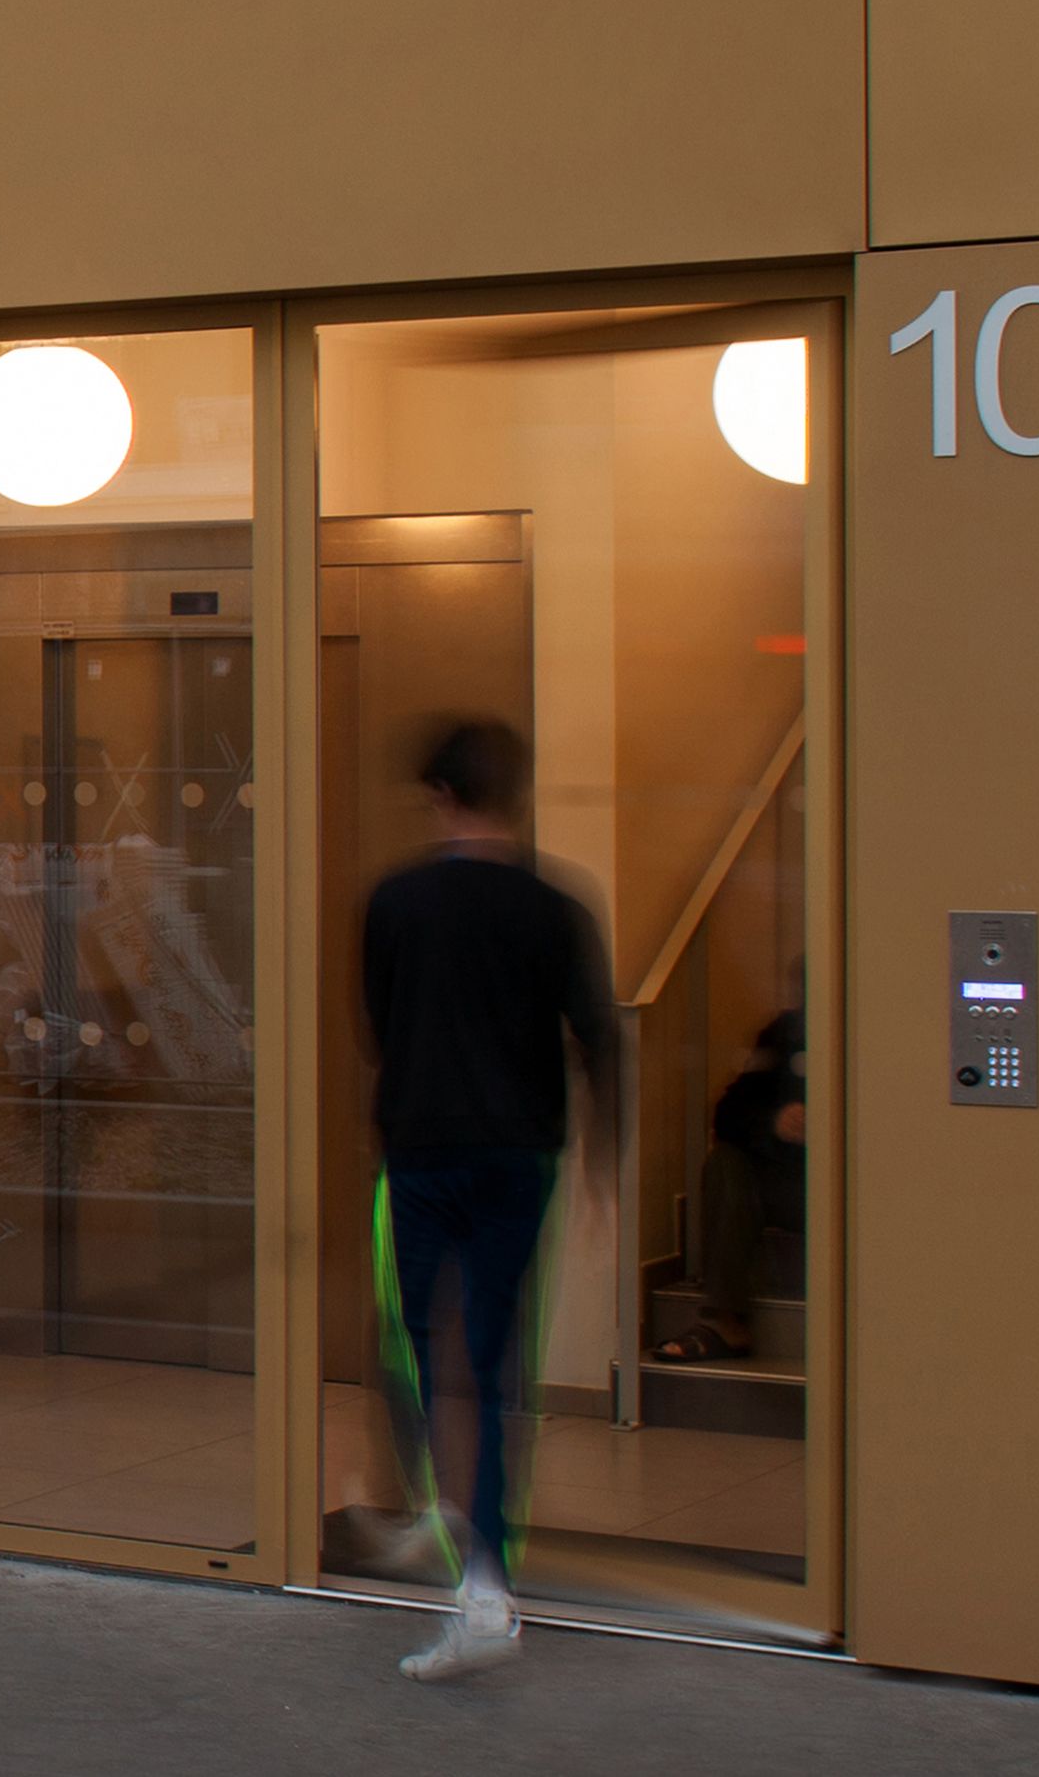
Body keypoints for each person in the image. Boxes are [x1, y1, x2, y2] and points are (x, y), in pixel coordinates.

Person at [360, 717, 616, 1683]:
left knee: (434, 1357)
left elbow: (378, 1029)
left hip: (424, 1151)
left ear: (441, 796)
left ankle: (473, 1562)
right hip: (518, 1156)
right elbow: (597, 1038)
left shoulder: (396, 901)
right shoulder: (555, 908)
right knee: (493, 1355)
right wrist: (601, 1162)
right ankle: (475, 1550)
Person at [655, 995, 805, 1364]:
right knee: (725, 1162)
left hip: (860, 1185)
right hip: (793, 1181)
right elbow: (729, 1113)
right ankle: (725, 1321)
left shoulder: (883, 1032)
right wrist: (775, 1123)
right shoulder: (786, 1033)